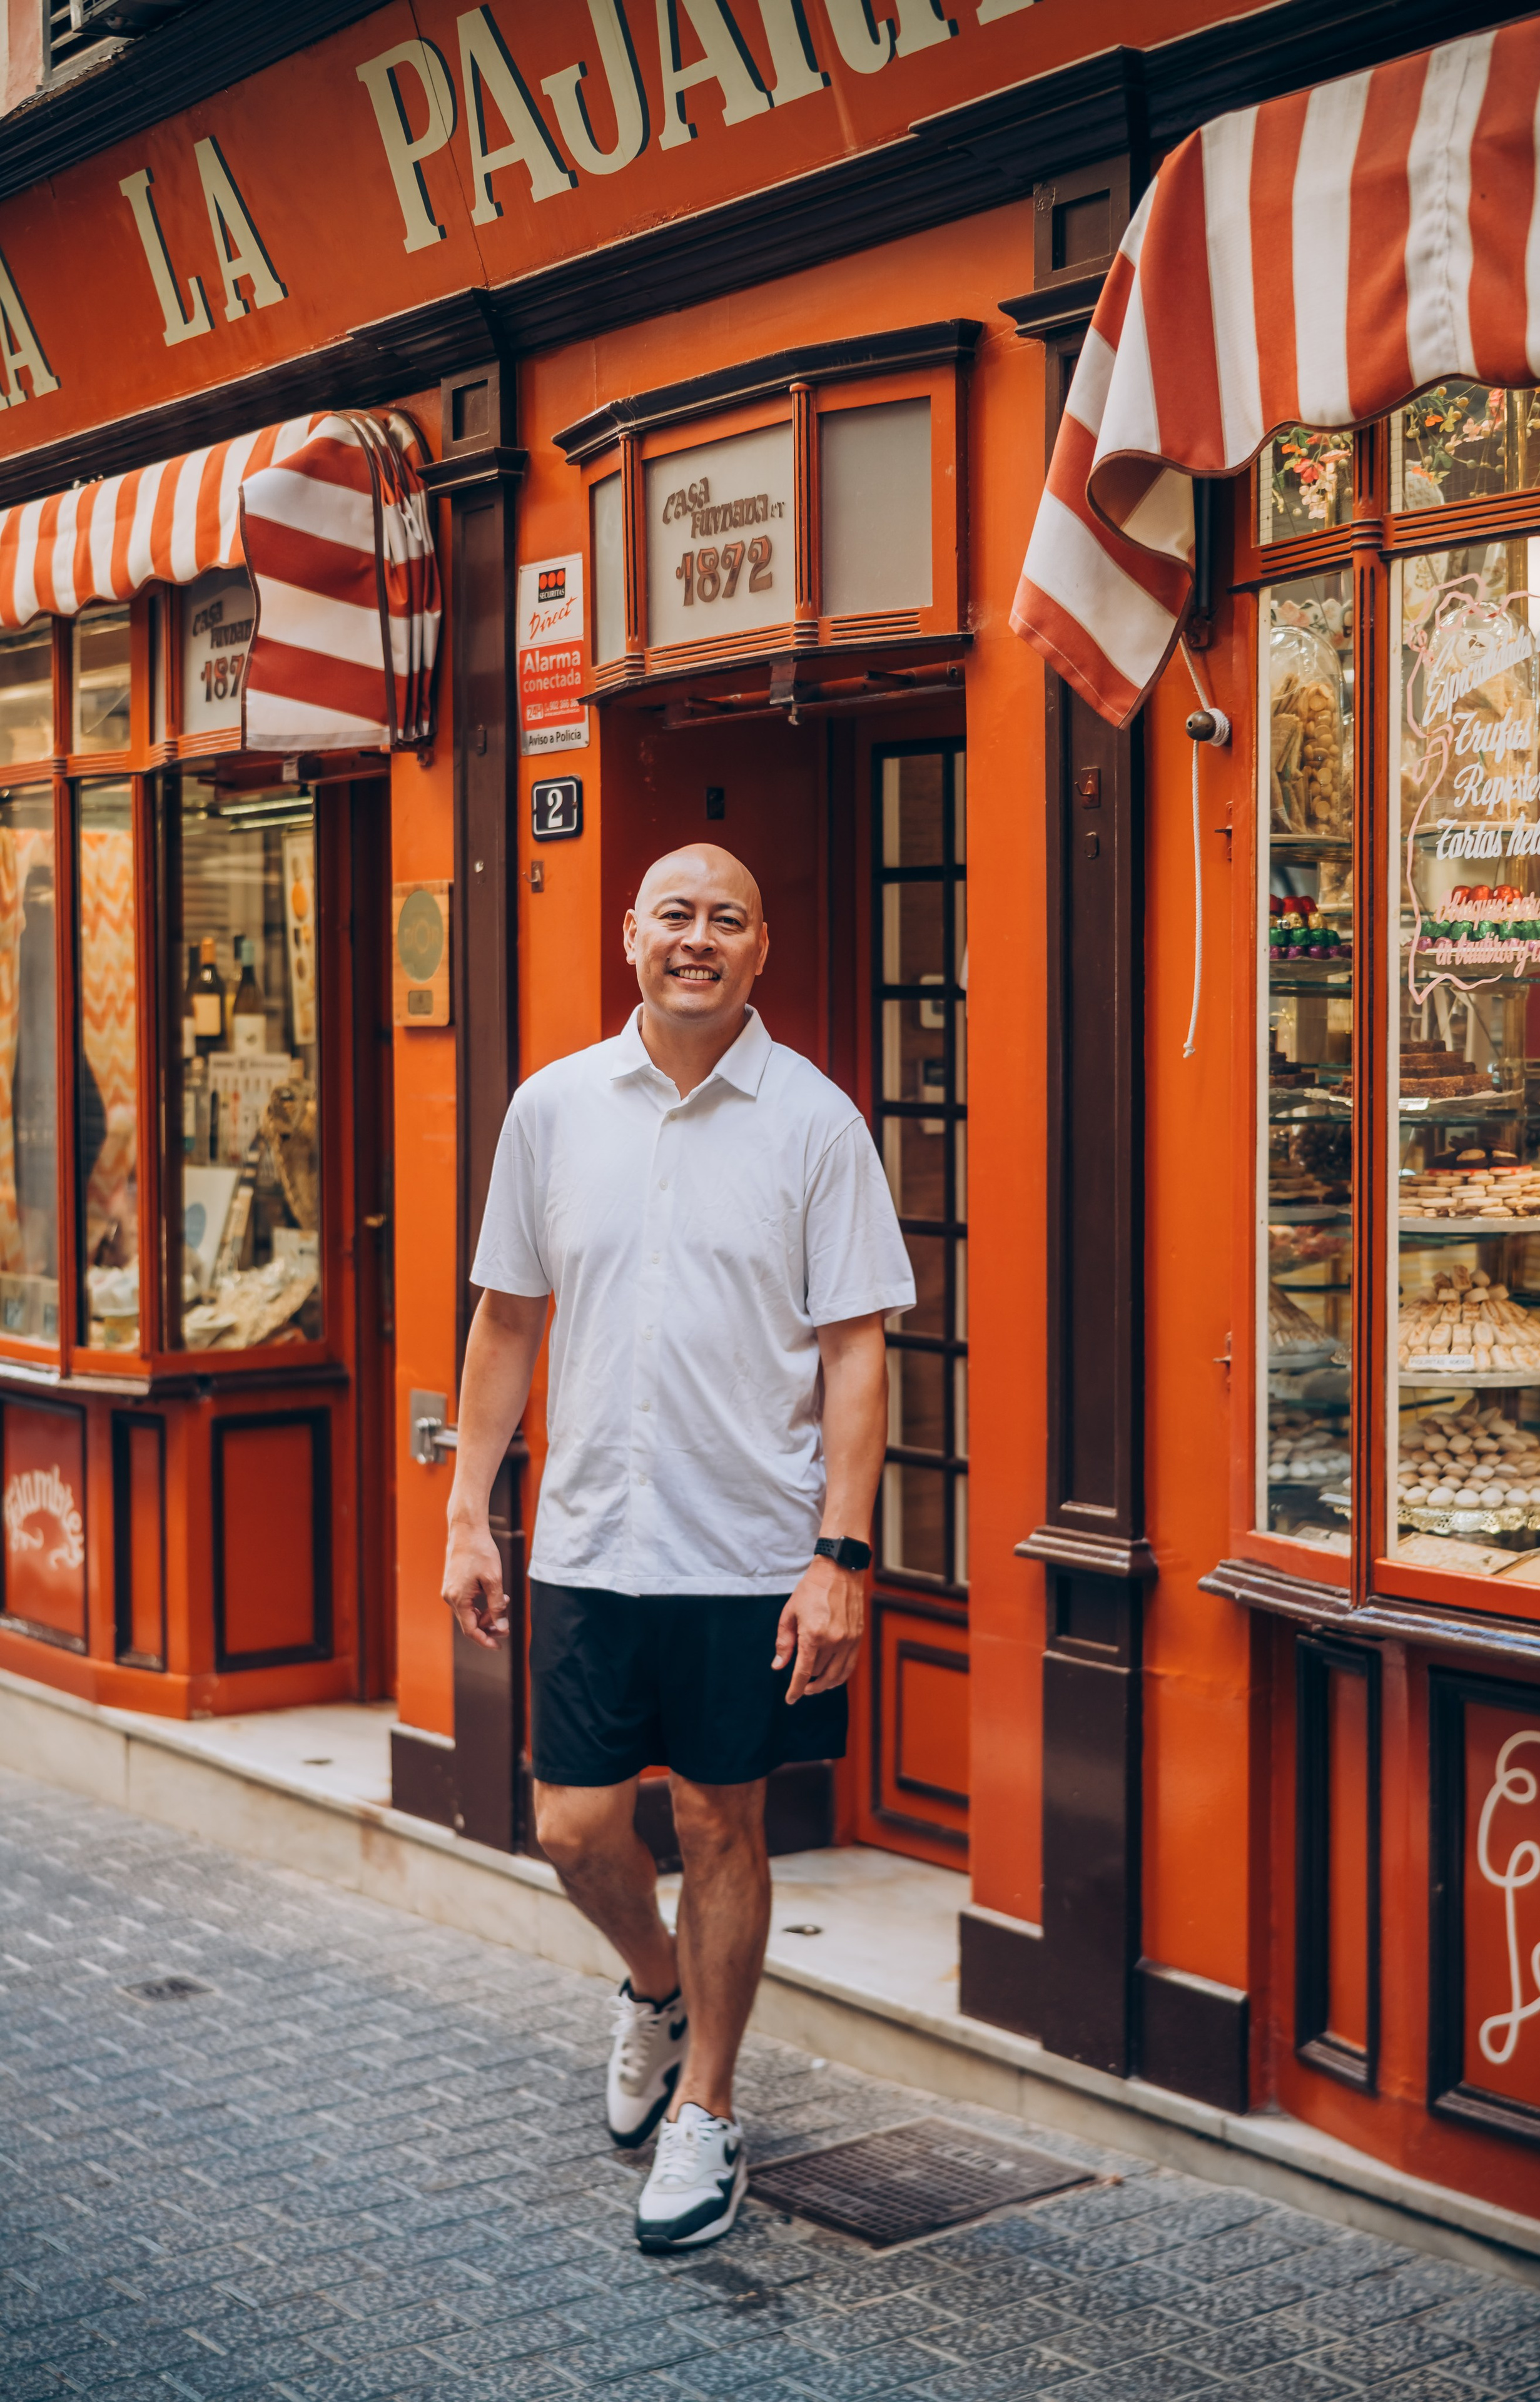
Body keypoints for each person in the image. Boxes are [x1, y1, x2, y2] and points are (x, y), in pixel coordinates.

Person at [441, 842, 914, 2253]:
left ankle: (706, 2103)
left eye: (725, 920)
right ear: (627, 937)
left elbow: (858, 1353)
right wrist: (469, 1508)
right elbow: (507, 1319)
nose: (695, 940)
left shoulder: (815, 1125)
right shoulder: (553, 1109)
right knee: (574, 1829)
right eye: (673, 917)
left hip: (746, 1552)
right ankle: (657, 1985)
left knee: (720, 1821)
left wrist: (841, 1552)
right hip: (589, 1537)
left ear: (762, 949)